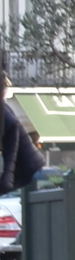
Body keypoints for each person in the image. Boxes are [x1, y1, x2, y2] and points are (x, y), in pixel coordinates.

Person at [0, 64, 40, 194]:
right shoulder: (6, 110)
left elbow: (12, 131)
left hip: (24, 168)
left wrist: (8, 176)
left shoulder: (5, 112)